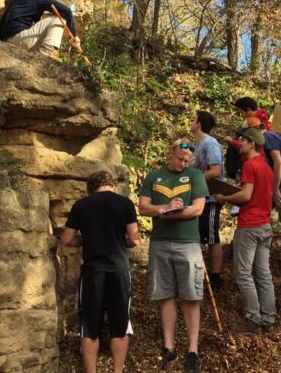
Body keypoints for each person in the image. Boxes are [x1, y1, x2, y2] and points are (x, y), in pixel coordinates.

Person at [138, 139, 209, 373]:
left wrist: (172, 214)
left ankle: (192, 350)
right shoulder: (154, 176)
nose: (183, 163)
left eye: (187, 160)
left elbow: (198, 209)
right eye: (180, 158)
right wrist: (162, 209)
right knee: (165, 294)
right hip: (160, 243)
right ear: (170, 153)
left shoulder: (195, 176)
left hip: (188, 244)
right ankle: (168, 347)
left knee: (191, 296)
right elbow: (143, 207)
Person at [61, 171, 140, 373]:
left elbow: (67, 240)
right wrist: (120, 241)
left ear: (91, 187)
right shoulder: (125, 204)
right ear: (112, 184)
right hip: (119, 270)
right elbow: (134, 239)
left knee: (89, 328)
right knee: (120, 326)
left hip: (92, 271)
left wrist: (86, 240)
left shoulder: (82, 205)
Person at [212, 127, 276, 334]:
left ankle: (253, 320)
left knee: (244, 274)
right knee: (263, 274)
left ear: (252, 144)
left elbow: (246, 196)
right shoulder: (266, 167)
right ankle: (268, 319)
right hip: (265, 225)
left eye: (243, 141)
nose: (239, 144)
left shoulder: (250, 165)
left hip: (249, 225)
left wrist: (225, 198)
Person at [244, 119, 281, 281]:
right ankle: (258, 264)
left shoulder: (268, 137)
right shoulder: (266, 141)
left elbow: (279, 162)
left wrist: (275, 189)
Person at [0, 0, 80, 56]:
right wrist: (74, 37)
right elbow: (67, 11)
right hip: (21, 39)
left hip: (9, 39)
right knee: (58, 19)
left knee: (41, 22)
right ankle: (44, 54)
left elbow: (2, 22)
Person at [191, 111, 224, 291]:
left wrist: (194, 180)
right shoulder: (199, 144)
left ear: (199, 124)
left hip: (210, 197)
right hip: (199, 196)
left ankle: (216, 276)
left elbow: (215, 170)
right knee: (201, 234)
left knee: (212, 236)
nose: (191, 122)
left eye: (193, 119)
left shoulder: (210, 143)